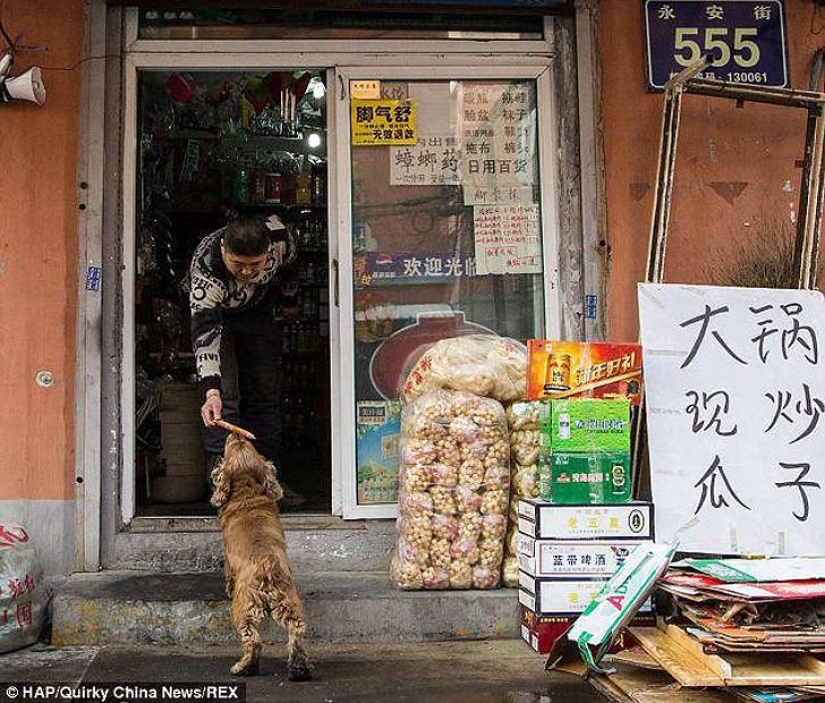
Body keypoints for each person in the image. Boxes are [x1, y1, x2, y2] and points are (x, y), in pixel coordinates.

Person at [189, 214, 305, 507]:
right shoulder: (205, 271)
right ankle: (222, 489)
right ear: (224, 248)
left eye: (255, 264)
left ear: (268, 251)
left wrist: (289, 302)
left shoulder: (281, 238)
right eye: (238, 264)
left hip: (259, 310)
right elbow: (205, 339)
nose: (247, 272)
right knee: (225, 400)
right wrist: (210, 391)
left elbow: (292, 267)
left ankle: (271, 482)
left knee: (266, 394)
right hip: (217, 319)